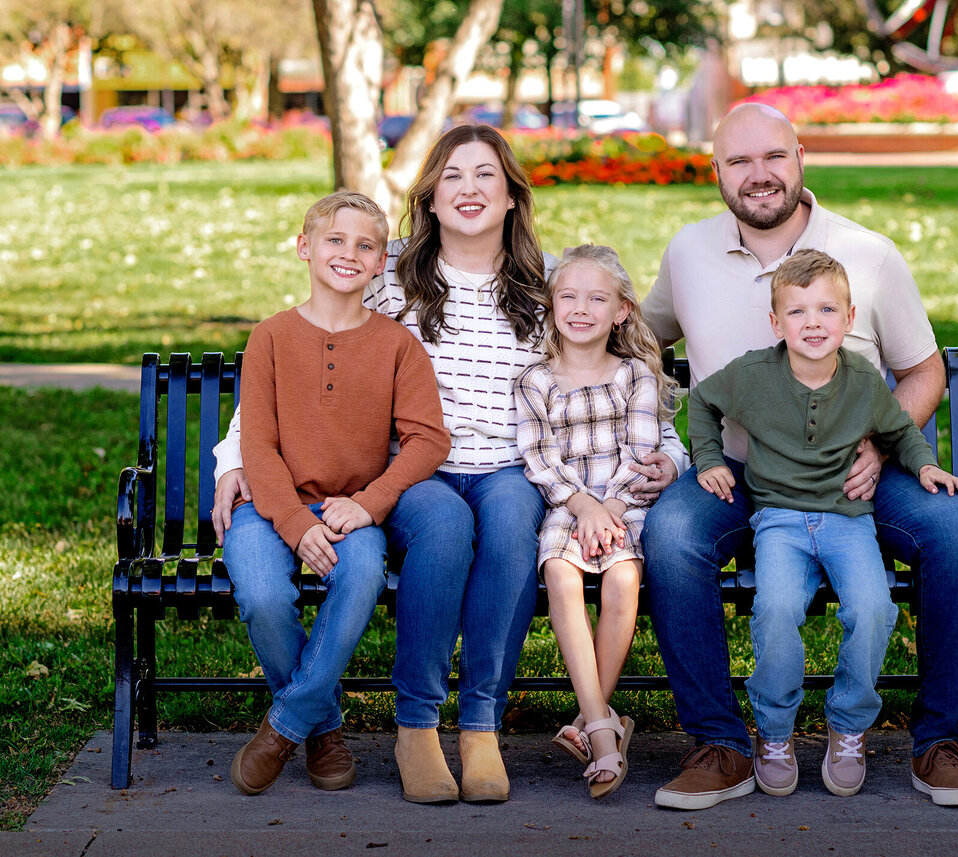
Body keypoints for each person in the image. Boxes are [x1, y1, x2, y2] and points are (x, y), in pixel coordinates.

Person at [212, 125, 688, 804]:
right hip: (411, 468)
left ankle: (481, 724)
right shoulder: (390, 273)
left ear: (512, 197)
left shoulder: (548, 285)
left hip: (511, 465)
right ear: (430, 196)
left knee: (510, 524)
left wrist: (671, 455)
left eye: (486, 175)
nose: (469, 188)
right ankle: (417, 724)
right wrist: (236, 455)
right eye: (453, 175)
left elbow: (628, 377)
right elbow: (307, 349)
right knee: (440, 529)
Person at [641, 102, 958, 810]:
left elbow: (924, 371)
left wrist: (875, 442)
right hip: (737, 471)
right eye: (738, 161)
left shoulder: (867, 253)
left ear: (800, 159)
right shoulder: (688, 251)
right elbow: (637, 341)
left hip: (855, 471)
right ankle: (722, 744)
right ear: (716, 173)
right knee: (672, 534)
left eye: (773, 156)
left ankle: (938, 741)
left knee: (957, 528)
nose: (758, 175)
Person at [688, 249, 958, 798]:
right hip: (778, 523)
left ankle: (848, 724)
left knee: (872, 608)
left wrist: (927, 465)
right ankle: (773, 730)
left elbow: (899, 434)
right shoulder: (751, 375)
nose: (812, 323)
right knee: (773, 611)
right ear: (775, 322)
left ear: (849, 317)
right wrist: (709, 459)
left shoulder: (862, 379)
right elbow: (701, 403)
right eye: (796, 312)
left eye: (825, 311)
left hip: (848, 520)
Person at [223, 191, 450, 796]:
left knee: (360, 578)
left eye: (365, 245)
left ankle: (286, 723)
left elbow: (428, 441)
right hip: (267, 507)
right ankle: (322, 727)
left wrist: (369, 504)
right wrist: (296, 525)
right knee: (265, 595)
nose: (349, 253)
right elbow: (258, 446)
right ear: (304, 248)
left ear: (381, 264)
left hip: (352, 511)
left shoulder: (399, 345)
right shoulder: (270, 337)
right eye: (334, 240)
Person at [515, 245, 676, 799]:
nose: (580, 309)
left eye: (597, 298)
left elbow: (644, 450)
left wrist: (608, 507)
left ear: (621, 312)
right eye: (568, 296)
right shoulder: (535, 380)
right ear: (551, 304)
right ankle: (606, 734)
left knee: (623, 579)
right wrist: (584, 506)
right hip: (567, 505)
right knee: (560, 575)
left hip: (626, 503)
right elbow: (539, 458)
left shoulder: (634, 376)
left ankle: (591, 721)